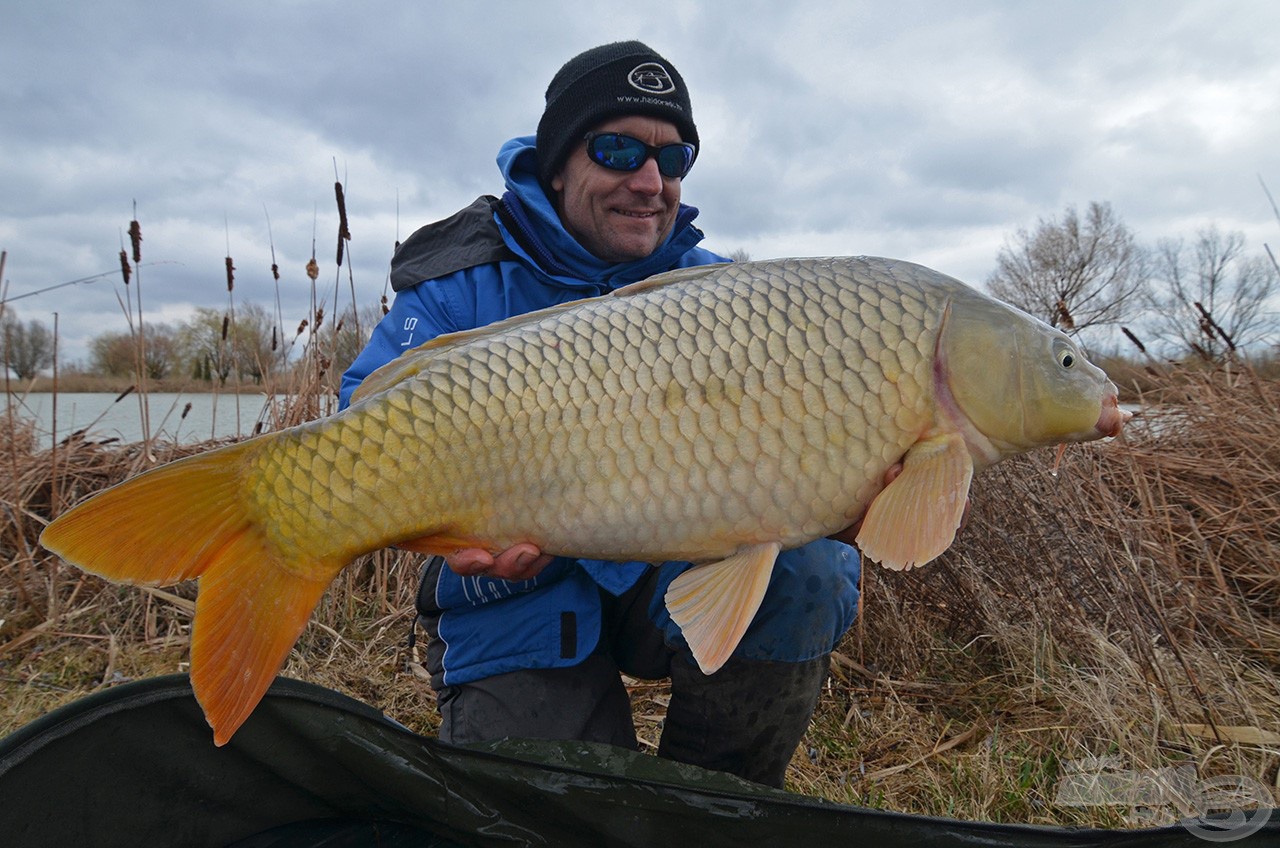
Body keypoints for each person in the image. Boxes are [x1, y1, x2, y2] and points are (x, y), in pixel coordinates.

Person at [340, 40, 861, 788]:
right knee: (560, 811)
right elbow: (360, 417)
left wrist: (837, 490)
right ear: (558, 165)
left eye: (674, 159)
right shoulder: (462, 281)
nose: (650, 182)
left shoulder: (723, 299)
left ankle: (714, 808)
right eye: (618, 150)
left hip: (666, 577)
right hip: (514, 590)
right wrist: (440, 525)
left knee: (808, 568)